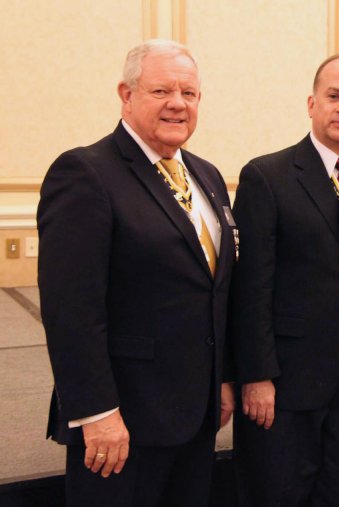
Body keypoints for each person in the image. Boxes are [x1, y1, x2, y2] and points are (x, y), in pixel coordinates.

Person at [37, 39, 236, 507]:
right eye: (161, 90)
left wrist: (222, 379)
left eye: (189, 93)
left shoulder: (206, 176)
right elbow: (71, 311)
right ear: (126, 95)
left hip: (194, 415)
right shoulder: (86, 173)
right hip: (122, 424)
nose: (177, 103)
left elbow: (215, 290)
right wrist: (97, 413)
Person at [229, 53, 339, 507]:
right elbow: (251, 289)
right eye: (334, 96)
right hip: (284, 383)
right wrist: (256, 376)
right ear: (312, 103)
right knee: (278, 495)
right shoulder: (266, 177)